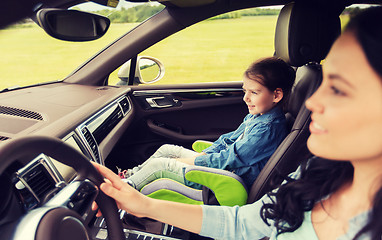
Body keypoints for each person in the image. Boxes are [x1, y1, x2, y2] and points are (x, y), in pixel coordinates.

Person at [93, 7, 382, 240]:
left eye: (339, 89)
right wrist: (142, 204)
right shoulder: (315, 174)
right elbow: (244, 225)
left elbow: (233, 160)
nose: (312, 103)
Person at [122, 57, 295, 190]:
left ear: (276, 95)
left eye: (254, 92)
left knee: (159, 165)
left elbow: (228, 160)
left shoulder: (267, 129)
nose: (245, 98)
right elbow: (227, 141)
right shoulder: (258, 117)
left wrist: (189, 162)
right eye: (245, 91)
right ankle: (130, 175)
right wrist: (202, 155)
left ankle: (124, 189)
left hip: (225, 180)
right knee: (166, 150)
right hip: (221, 169)